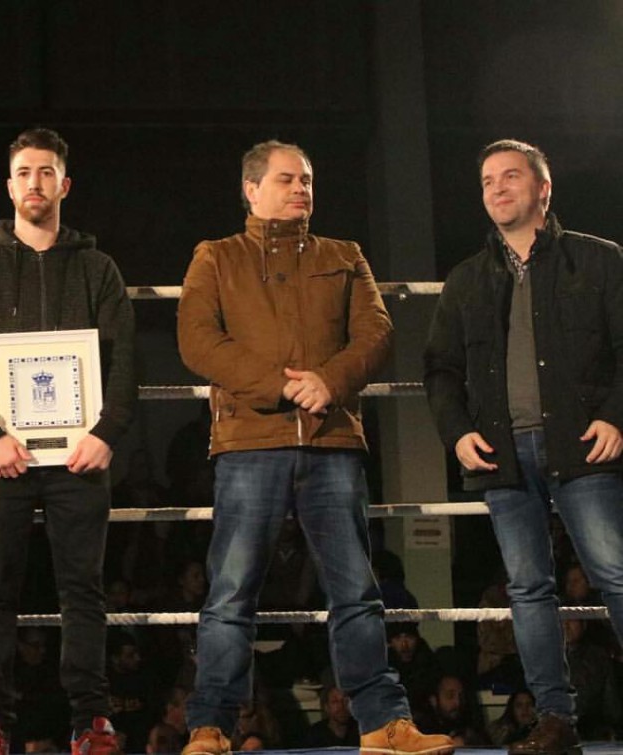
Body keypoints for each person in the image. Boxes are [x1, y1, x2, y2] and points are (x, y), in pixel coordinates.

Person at [176, 139, 453, 755]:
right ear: (251, 189)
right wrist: (282, 385)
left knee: (356, 587)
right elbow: (197, 341)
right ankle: (211, 726)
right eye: (286, 180)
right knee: (231, 590)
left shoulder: (343, 254)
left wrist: (330, 381)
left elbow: (377, 332)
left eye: (306, 179)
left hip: (331, 439)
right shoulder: (216, 257)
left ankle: (382, 724)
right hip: (251, 440)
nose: (300, 189)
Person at [0, 128, 137, 755]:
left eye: (46, 172)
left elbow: (125, 358)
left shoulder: (98, 268)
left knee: (84, 588)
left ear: (64, 185)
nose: (35, 183)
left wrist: (107, 432)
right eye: (24, 172)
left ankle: (90, 721)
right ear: (9, 185)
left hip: (80, 455)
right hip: (0, 456)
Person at [424, 138, 623, 753]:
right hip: (502, 455)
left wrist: (618, 416)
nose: (497, 188)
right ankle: (555, 721)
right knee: (528, 589)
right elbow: (439, 370)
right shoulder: (466, 280)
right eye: (487, 181)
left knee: (615, 573)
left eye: (510, 176)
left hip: (583, 445)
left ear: (544, 188)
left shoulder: (598, 260)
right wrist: (457, 434)